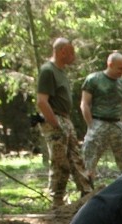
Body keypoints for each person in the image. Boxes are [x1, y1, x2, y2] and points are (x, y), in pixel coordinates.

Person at [36, 38, 93, 207]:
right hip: (56, 119)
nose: (73, 56)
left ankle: (87, 195)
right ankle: (57, 201)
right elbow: (42, 101)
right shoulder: (48, 70)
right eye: (71, 52)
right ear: (62, 52)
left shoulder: (61, 72)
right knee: (60, 162)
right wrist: (55, 124)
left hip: (65, 120)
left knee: (76, 158)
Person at [80, 51, 122, 182]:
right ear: (110, 64)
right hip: (98, 121)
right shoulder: (94, 79)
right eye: (119, 68)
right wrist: (90, 125)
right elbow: (85, 104)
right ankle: (87, 189)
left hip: (116, 124)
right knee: (88, 160)